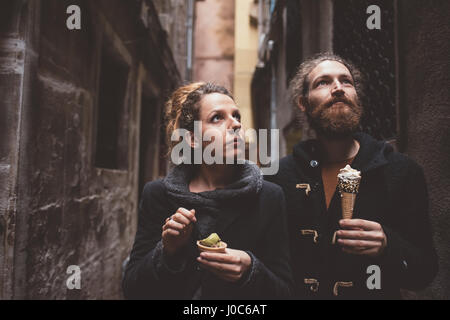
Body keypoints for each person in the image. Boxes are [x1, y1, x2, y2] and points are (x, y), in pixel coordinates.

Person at [266, 53, 438, 299]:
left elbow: (425, 273)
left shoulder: (401, 171)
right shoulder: (280, 177)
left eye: (346, 81)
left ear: (357, 97)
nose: (338, 88)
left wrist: (389, 245)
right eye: (323, 82)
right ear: (303, 103)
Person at [122, 82, 293, 299]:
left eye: (237, 116)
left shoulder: (269, 196)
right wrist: (168, 251)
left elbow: (285, 291)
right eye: (217, 118)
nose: (236, 125)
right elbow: (133, 289)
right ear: (192, 139)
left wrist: (250, 269)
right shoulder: (158, 194)